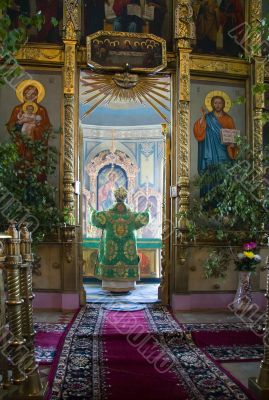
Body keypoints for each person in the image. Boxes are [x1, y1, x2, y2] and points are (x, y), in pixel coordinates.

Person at [89, 186, 150, 292]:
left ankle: (111, 285)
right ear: (125, 198)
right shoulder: (131, 216)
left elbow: (95, 217)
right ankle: (127, 286)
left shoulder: (107, 215)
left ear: (115, 198)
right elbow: (144, 218)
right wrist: (147, 209)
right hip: (128, 250)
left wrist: (91, 208)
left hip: (110, 249)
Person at [193, 95, 238, 193]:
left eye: (220, 103)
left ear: (223, 104)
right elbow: (199, 131)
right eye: (215, 103)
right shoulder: (208, 117)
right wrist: (203, 116)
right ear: (212, 104)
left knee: (223, 174)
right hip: (210, 153)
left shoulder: (228, 119)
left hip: (224, 152)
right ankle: (209, 203)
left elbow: (234, 137)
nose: (217, 105)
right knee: (210, 175)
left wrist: (233, 144)